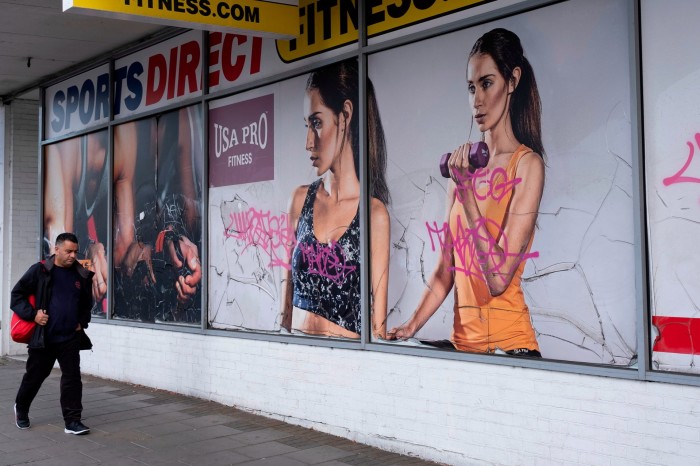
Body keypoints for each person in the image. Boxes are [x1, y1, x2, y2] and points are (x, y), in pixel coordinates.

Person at [388, 28, 545, 356]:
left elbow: (498, 279)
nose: (477, 100)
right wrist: (410, 326)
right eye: (471, 88)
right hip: (465, 350)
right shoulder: (462, 172)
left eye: (487, 83)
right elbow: (447, 267)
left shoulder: (527, 167)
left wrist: (467, 192)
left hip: (511, 350)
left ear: (512, 81)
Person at [280, 59, 391, 339]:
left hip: (347, 363)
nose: (308, 141)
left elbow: (378, 325)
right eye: (306, 125)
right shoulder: (299, 200)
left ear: (345, 116)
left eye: (316, 123)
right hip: (299, 356)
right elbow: (285, 303)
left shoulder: (373, 215)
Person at [12, 233, 94, 434]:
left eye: (75, 251)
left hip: (69, 338)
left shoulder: (81, 275)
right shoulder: (40, 270)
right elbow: (17, 295)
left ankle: (72, 421)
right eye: (68, 251)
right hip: (44, 337)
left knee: (72, 378)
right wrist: (33, 315)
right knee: (35, 376)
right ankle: (21, 408)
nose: (72, 255)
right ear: (56, 250)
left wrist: (81, 322)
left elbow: (86, 304)